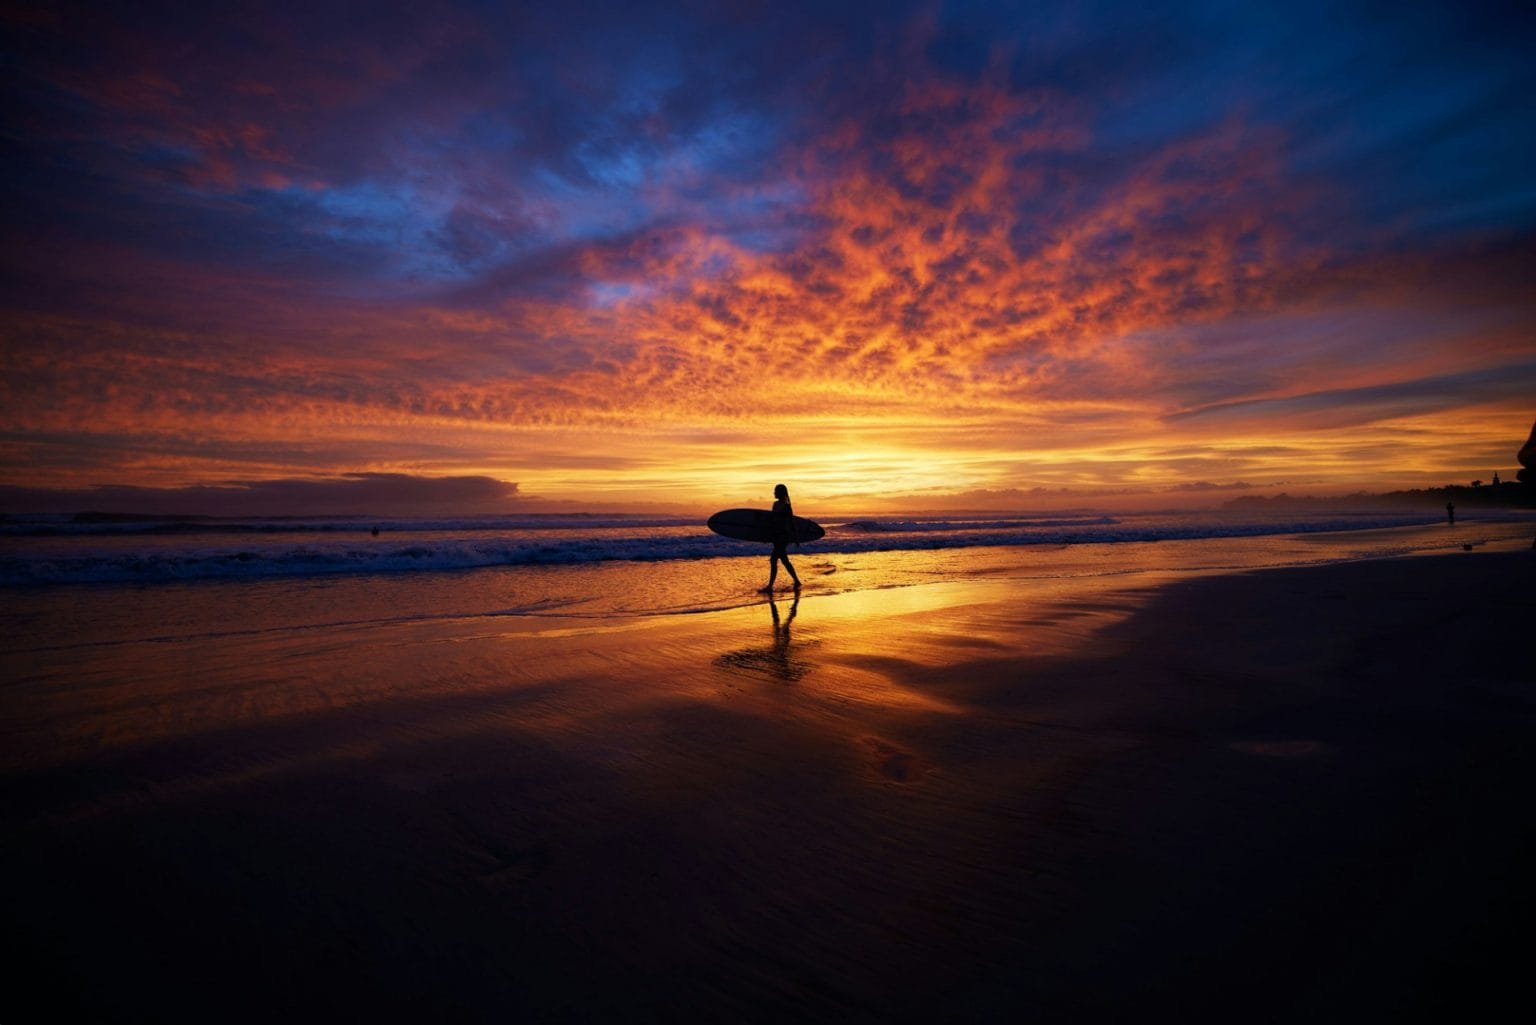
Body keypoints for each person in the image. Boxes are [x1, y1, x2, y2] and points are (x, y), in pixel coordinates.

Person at [764, 483, 802, 592]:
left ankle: (770, 586)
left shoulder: (786, 506)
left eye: (776, 491)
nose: (774, 493)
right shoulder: (775, 504)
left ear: (780, 493)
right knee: (784, 560)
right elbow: (772, 521)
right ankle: (797, 581)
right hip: (776, 536)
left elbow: (791, 522)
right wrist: (767, 536)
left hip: (783, 536)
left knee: (773, 560)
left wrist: (796, 538)